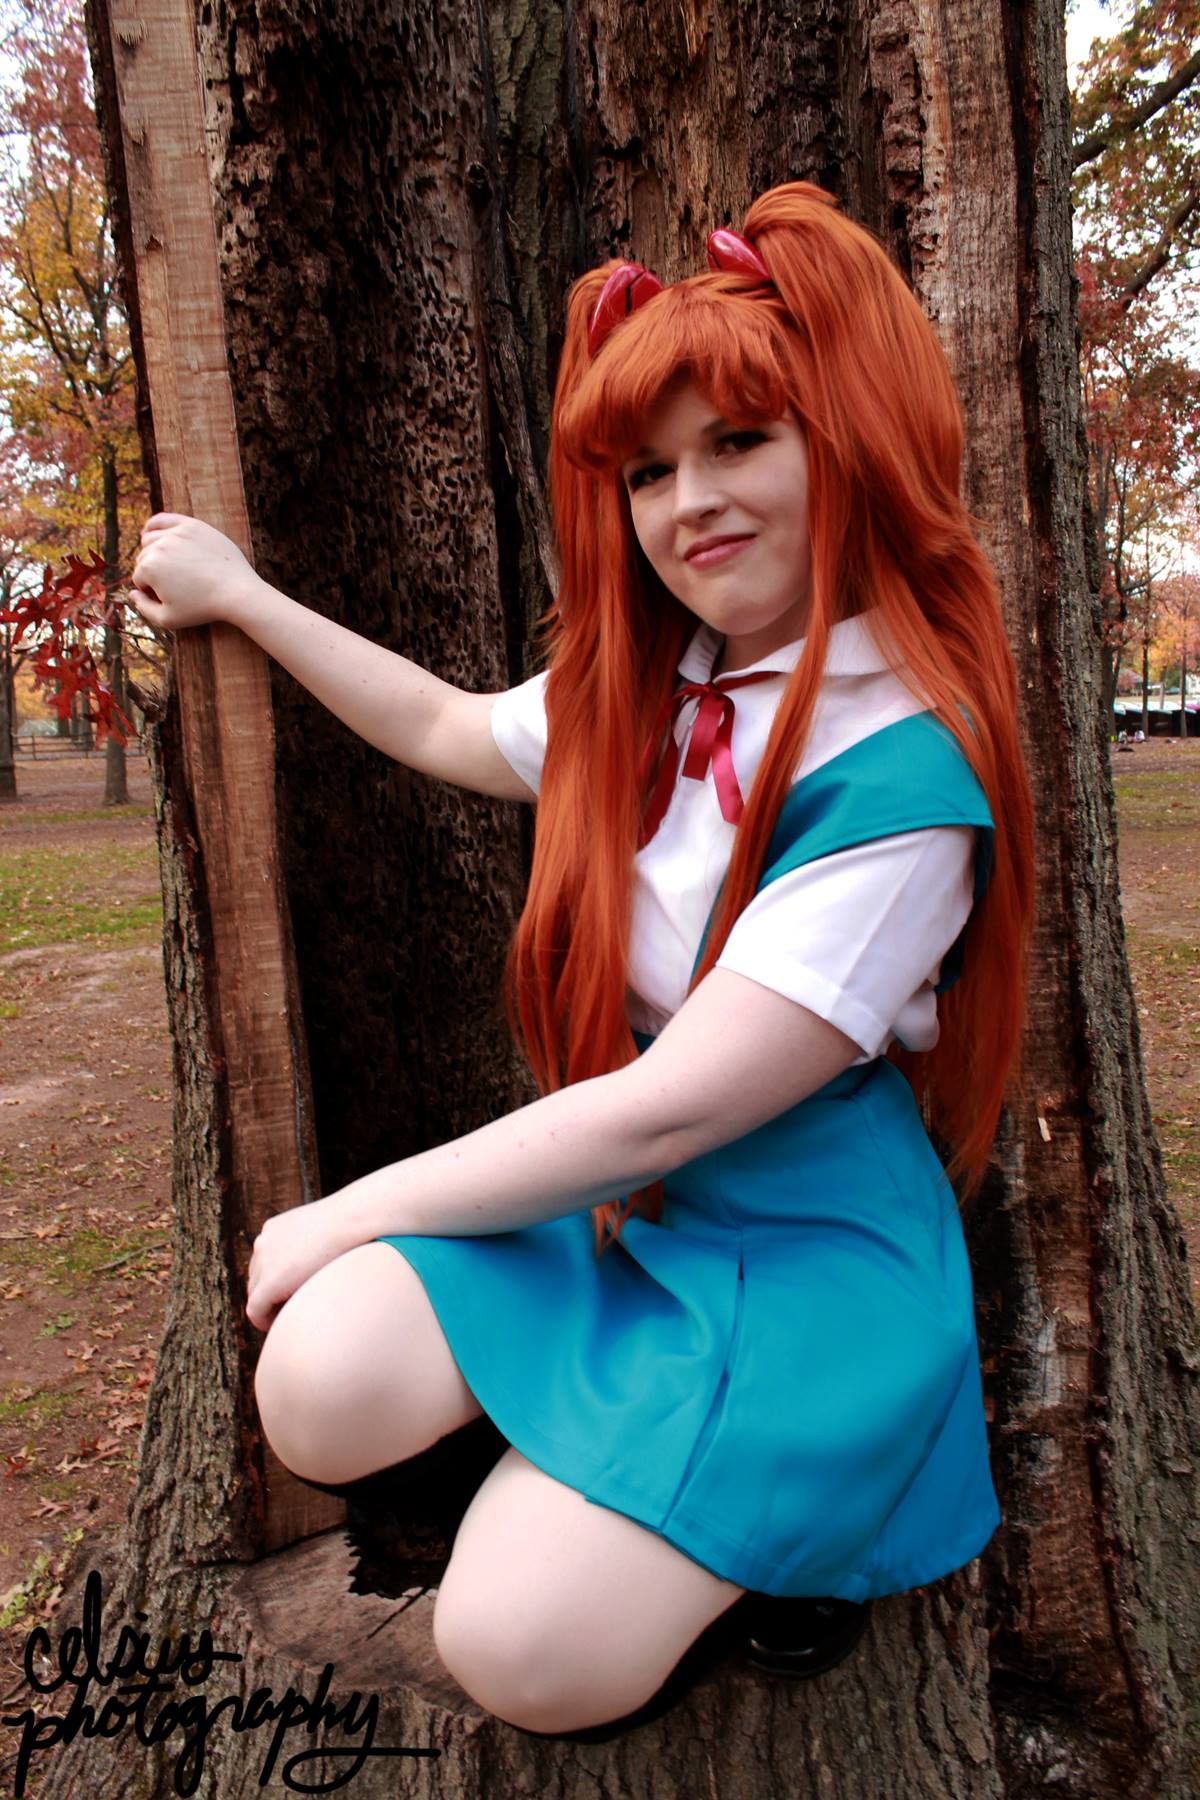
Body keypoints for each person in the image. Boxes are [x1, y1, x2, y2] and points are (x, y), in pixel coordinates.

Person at [129, 179, 1034, 1742]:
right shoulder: (659, 688)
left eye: (738, 443)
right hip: (633, 1207)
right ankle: (606, 1465)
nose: (689, 504)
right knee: (317, 1387)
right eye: (649, 470)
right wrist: (243, 598)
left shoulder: (901, 771)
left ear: (848, 440)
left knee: (522, 1647)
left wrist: (353, 1207)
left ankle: (735, 1535)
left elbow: (671, 1104)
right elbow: (444, 723)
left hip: (807, 1257)